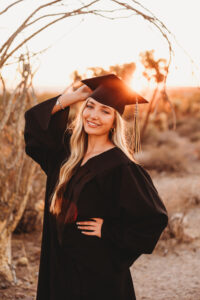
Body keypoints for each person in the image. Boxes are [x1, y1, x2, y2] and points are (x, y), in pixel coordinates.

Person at [24, 74, 168, 300]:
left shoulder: (121, 167)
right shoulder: (67, 152)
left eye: (105, 111)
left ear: (115, 121)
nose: (94, 115)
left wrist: (109, 231)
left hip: (96, 270)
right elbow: (36, 127)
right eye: (90, 107)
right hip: (59, 263)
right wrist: (72, 98)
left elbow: (153, 218)